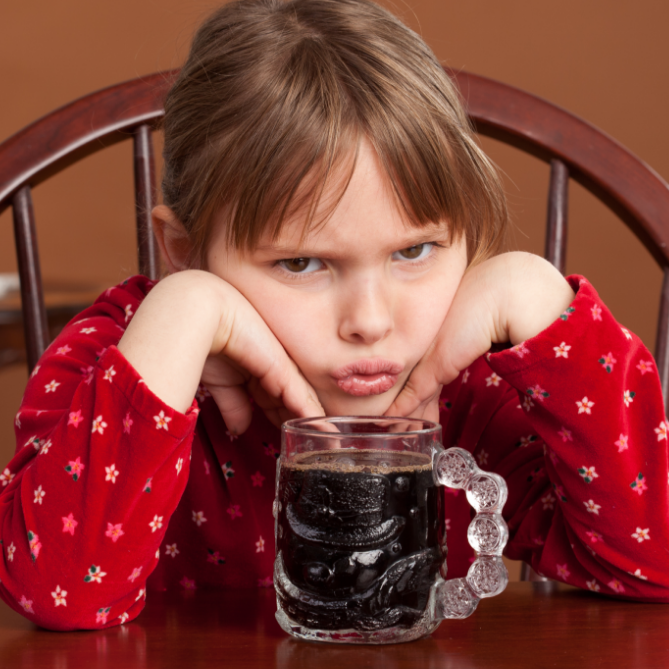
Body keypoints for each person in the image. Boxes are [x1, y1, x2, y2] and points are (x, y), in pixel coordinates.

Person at [1, 0, 668, 632]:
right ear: (184, 251)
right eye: (300, 263)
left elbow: (652, 561)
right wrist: (182, 307)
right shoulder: (126, 349)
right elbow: (57, 592)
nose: (370, 322)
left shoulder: (467, 385)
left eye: (414, 250)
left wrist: (537, 296)